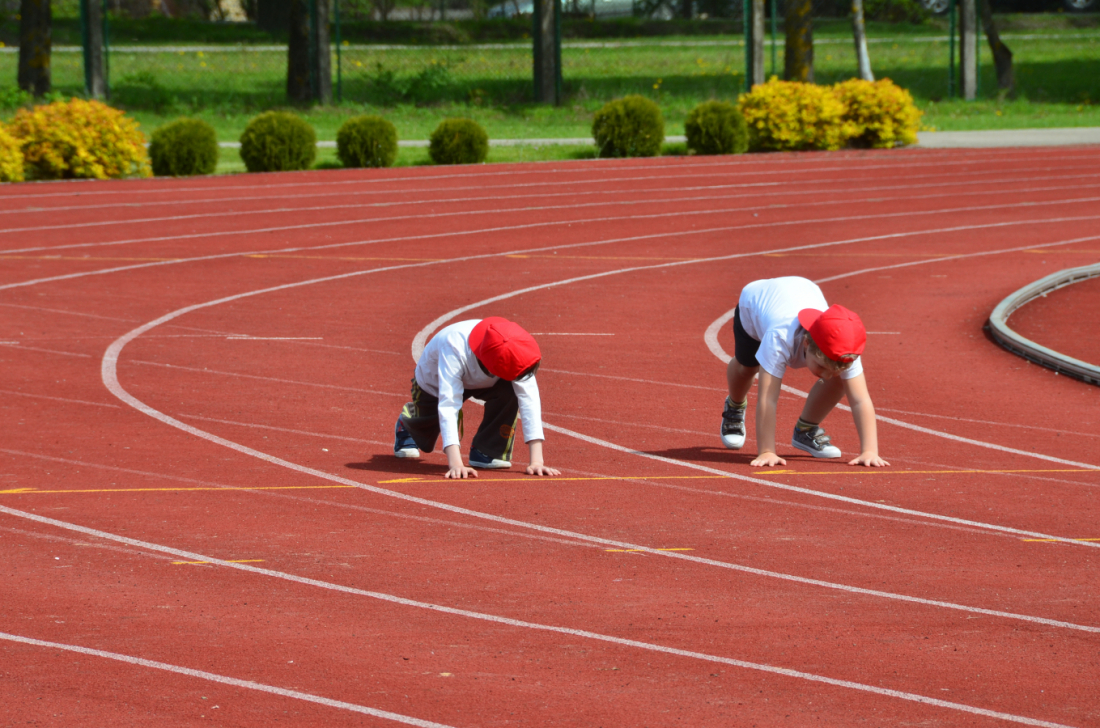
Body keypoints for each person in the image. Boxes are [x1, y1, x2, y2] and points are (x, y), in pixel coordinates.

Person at [720, 277, 889, 468]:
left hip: (804, 289)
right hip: (754, 305)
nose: (825, 375)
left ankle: (805, 430)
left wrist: (869, 450)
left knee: (840, 379)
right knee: (747, 367)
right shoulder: (779, 337)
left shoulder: (846, 347)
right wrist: (767, 451)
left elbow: (860, 399)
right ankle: (734, 406)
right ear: (807, 344)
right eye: (822, 367)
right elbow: (768, 398)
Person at [393, 317, 561, 479]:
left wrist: (537, 461)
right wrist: (455, 464)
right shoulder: (453, 346)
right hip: (435, 381)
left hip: (487, 377)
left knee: (510, 391)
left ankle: (486, 451)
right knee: (427, 427)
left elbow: (529, 398)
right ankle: (408, 422)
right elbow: (449, 404)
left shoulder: (515, 347)